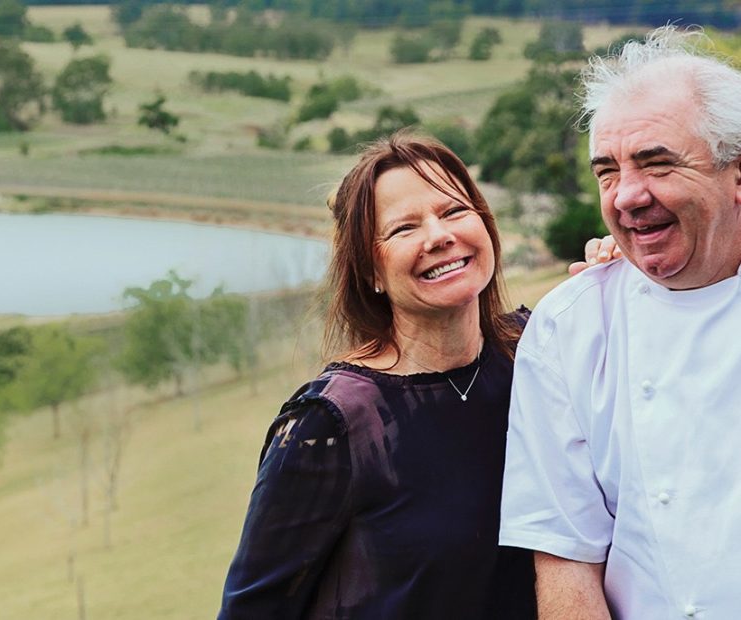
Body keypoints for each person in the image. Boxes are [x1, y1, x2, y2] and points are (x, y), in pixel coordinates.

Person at [218, 132, 538, 619]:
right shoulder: (332, 423)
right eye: (404, 228)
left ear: (486, 227)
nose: (438, 236)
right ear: (371, 271)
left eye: (453, 211)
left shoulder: (539, 354)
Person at [499, 26, 741, 619]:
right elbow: (565, 557)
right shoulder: (569, 327)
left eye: (657, 163)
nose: (628, 195)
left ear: (736, 175)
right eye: (607, 171)